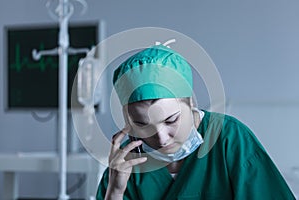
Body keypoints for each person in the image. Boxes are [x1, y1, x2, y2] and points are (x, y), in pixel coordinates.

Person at [96, 44, 295, 200]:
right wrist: (115, 191)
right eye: (142, 125)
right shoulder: (126, 163)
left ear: (191, 102)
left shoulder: (229, 138)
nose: (162, 139)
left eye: (171, 120)